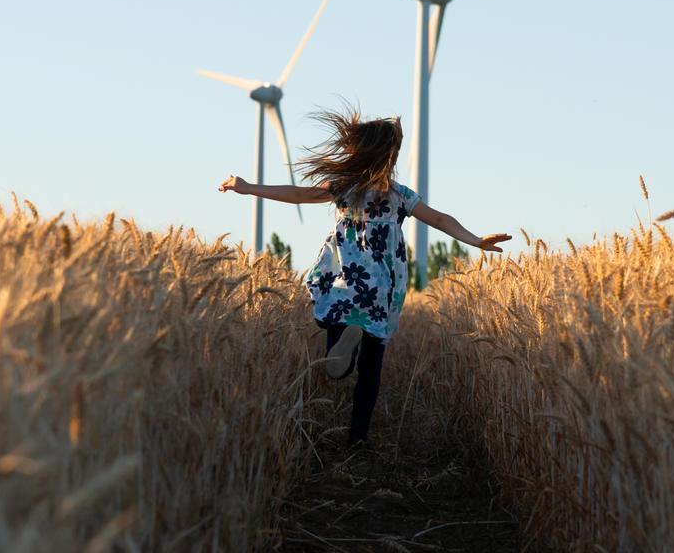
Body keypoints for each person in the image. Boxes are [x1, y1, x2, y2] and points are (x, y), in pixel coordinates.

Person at [218, 106, 510, 446]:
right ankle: (358, 437)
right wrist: (475, 240)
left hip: (345, 274)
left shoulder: (345, 187)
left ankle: (342, 347)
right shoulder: (401, 195)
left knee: (335, 340)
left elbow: (297, 194)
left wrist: (249, 187)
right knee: (372, 365)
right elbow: (441, 219)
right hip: (381, 284)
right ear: (391, 156)